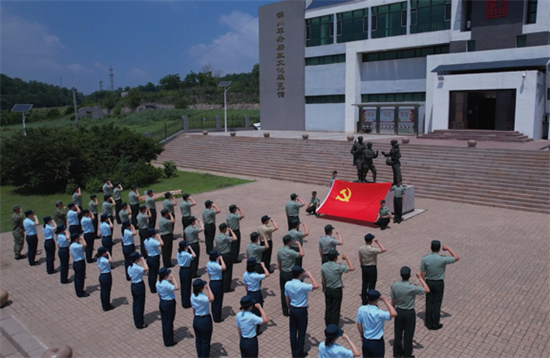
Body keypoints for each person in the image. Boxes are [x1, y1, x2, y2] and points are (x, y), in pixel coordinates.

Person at [391, 267, 430, 358]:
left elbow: (393, 299)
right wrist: (420, 278)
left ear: (401, 275)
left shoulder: (395, 285)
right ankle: (407, 355)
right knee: (408, 336)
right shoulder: (412, 288)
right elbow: (427, 290)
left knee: (398, 335)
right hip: (409, 313)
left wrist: (393, 309)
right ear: (409, 275)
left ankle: (397, 354)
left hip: (399, 311)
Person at [420, 240, 459, 330]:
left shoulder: (425, 259)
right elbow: (456, 258)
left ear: (431, 247)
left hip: (428, 282)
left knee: (429, 303)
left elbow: (422, 272)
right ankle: (435, 323)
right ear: (439, 249)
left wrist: (423, 283)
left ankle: (428, 323)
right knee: (437, 304)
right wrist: (448, 248)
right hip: (439, 283)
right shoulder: (443, 259)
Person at [285, 266, 320, 358]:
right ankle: (299, 353)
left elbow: (287, 298)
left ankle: (293, 352)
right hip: (301, 311)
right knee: (301, 332)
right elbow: (316, 285)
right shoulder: (302, 285)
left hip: (292, 308)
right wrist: (310, 275)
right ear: (300, 275)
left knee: (292, 332)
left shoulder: (287, 284)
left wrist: (289, 308)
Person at [356, 290, 397, 358]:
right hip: (377, 343)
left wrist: (361, 335)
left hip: (366, 341)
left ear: (367, 298)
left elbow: (359, 323)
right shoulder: (380, 313)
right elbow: (394, 313)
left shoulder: (361, 309)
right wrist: (385, 301)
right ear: (377, 300)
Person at [321, 249, 354, 326]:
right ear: (335, 258)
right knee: (336, 308)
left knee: (328, 307)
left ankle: (328, 324)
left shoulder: (323, 266)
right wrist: (347, 258)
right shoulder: (338, 267)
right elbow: (352, 268)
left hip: (328, 289)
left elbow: (323, 279)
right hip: (337, 290)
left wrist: (324, 288)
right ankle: (334, 326)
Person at [277, 235, 304, 316]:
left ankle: (285, 310)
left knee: (283, 292)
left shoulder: (279, 250)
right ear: (289, 242)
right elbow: (301, 254)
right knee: (291, 292)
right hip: (289, 274)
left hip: (282, 273)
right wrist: (299, 245)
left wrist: (280, 270)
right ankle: (291, 308)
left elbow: (279, 262)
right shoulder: (290, 252)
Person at [243, 258, 269, 335]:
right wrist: (263, 266)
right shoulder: (256, 275)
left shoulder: (245, 274)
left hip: (249, 293)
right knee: (257, 311)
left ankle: (250, 326)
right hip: (257, 293)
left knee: (249, 310)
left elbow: (245, 285)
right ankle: (256, 330)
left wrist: (247, 292)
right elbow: (267, 274)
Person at [358, 234, 386, 305]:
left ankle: (364, 299)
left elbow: (360, 258)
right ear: (371, 241)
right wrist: (378, 242)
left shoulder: (361, 248)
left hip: (364, 267)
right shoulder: (372, 249)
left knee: (364, 284)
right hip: (372, 268)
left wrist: (361, 266)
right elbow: (383, 249)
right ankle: (371, 298)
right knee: (372, 284)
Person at [157, 267, 180, 347]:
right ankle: (169, 341)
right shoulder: (166, 284)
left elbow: (159, 294)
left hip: (162, 302)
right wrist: (173, 278)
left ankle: (166, 338)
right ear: (165, 275)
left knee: (165, 322)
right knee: (169, 322)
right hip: (169, 303)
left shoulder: (158, 283)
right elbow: (177, 287)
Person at [191, 279, 214, 358]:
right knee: (205, 341)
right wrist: (209, 288)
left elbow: (193, 309)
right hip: (205, 320)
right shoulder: (203, 298)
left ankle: (200, 355)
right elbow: (211, 298)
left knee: (198, 340)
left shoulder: (193, 296)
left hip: (196, 319)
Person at [128, 251, 149, 329]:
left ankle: (137, 320)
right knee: (140, 304)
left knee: (136, 304)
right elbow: (146, 268)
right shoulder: (136, 267)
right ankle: (140, 323)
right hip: (139, 285)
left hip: (133, 285)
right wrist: (143, 260)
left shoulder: (130, 266)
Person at [214, 223, 237, 292]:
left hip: (221, 254)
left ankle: (223, 284)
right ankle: (226, 287)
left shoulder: (217, 237)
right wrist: (231, 231)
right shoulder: (224, 237)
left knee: (223, 271)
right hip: (227, 255)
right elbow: (235, 238)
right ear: (224, 229)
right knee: (228, 272)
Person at [207, 250, 227, 323]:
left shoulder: (208, 264)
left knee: (214, 301)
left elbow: (209, 274)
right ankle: (217, 318)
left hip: (212, 281)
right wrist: (221, 259)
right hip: (218, 282)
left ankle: (214, 315)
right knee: (218, 300)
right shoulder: (215, 265)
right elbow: (224, 267)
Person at [144, 228, 164, 294]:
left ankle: (151, 287)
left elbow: (146, 250)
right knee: (154, 274)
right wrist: (158, 237)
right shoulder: (153, 241)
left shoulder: (145, 241)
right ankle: (153, 288)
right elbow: (161, 243)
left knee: (151, 273)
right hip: (154, 258)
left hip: (149, 257)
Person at [177, 240, 196, 308]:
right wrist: (190, 248)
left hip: (181, 270)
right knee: (187, 287)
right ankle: (187, 303)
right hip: (187, 270)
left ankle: (183, 301)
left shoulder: (179, 253)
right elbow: (194, 255)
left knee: (183, 287)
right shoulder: (186, 254)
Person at [69, 232, 89, 297]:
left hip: (76, 262)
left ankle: (80, 290)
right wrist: (82, 239)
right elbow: (85, 245)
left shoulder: (72, 245)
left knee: (79, 277)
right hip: (79, 262)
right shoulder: (75, 245)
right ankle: (80, 292)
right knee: (80, 278)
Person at [96, 247, 115, 311]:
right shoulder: (103, 259)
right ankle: (107, 306)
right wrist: (109, 254)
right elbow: (110, 261)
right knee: (107, 291)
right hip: (106, 275)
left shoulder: (99, 259)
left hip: (102, 275)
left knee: (103, 291)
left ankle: (104, 305)